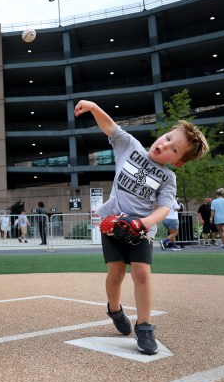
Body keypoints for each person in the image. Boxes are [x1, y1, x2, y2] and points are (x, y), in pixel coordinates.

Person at [74, 99, 208, 355]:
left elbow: (164, 207)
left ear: (178, 162)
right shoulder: (131, 147)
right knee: (116, 273)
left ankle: (144, 327)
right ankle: (114, 309)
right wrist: (93, 108)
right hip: (113, 225)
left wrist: (143, 223)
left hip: (140, 232)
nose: (166, 144)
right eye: (168, 137)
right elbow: (111, 128)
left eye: (174, 149)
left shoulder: (168, 178)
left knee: (142, 274)